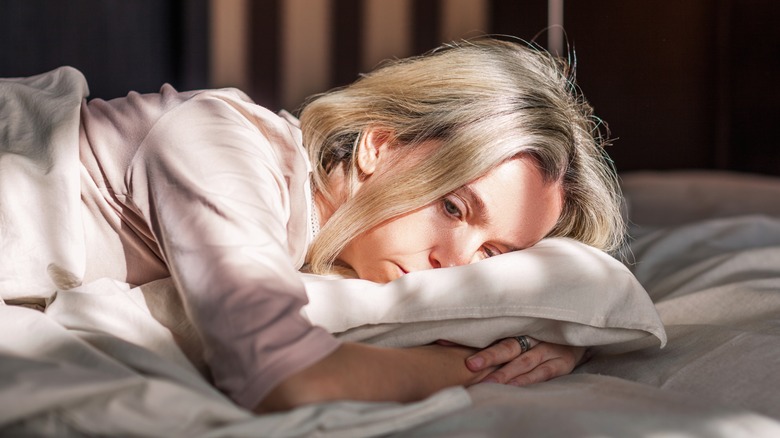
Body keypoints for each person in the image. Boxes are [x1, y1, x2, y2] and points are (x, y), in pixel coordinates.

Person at [0, 37, 624, 412]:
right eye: (453, 207)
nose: (455, 265)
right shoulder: (220, 145)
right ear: (379, 145)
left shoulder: (313, 242)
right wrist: (495, 363)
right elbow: (285, 380)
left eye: (493, 255)